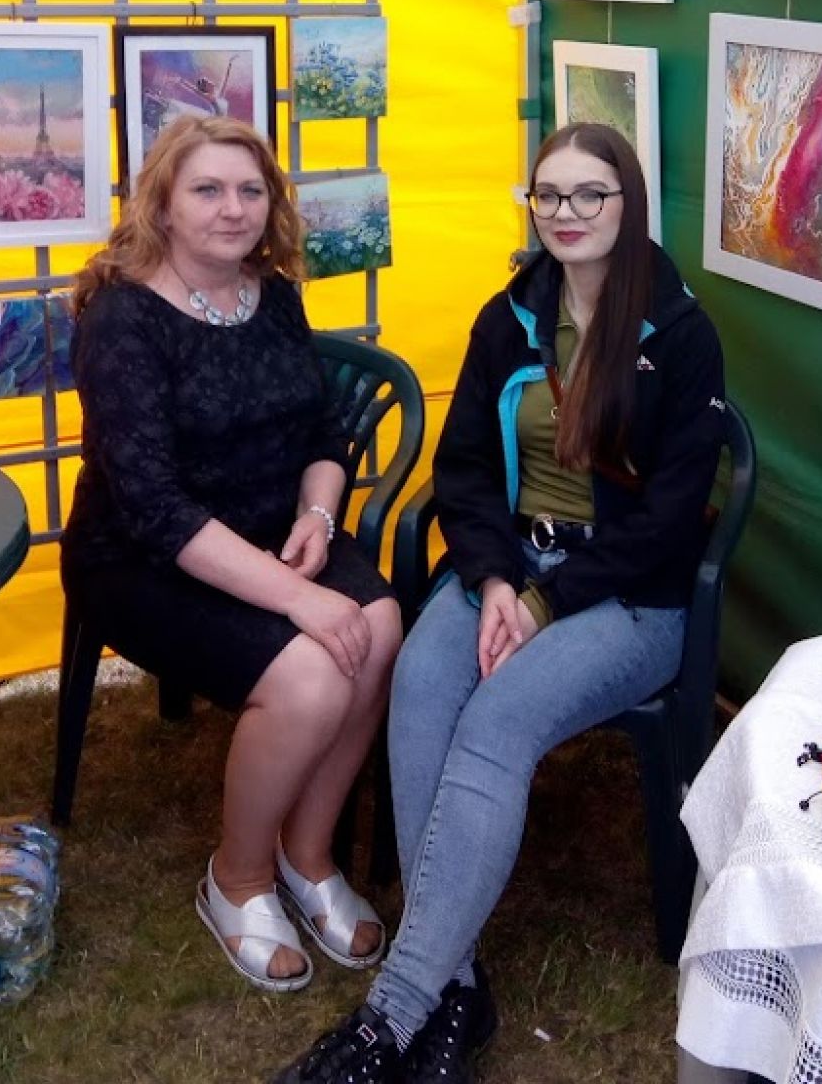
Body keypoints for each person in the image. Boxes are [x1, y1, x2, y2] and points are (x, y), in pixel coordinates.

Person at [273, 123, 725, 1083]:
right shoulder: (509, 315)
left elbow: (672, 520)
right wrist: (490, 582)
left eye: (590, 193)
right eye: (547, 194)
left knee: (497, 722)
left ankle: (390, 1016)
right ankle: (457, 990)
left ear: (628, 202)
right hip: (506, 571)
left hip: (627, 597)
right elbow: (466, 470)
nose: (566, 213)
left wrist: (544, 602)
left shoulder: (681, 335)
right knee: (421, 687)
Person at [60, 115, 401, 993]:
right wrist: (296, 598)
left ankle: (306, 855)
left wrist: (319, 517)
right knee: (311, 675)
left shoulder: (274, 294)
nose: (233, 208)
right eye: (208, 189)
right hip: (140, 558)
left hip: (273, 527)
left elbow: (323, 432)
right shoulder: (123, 319)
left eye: (251, 190)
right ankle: (237, 879)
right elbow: (155, 508)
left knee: (380, 628)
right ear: (163, 205)